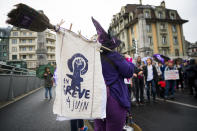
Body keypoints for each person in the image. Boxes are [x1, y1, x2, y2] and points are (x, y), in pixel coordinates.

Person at [92, 17, 134, 131]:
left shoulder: (94, 58)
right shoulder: (115, 56)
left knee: (99, 128)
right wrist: (129, 60)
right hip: (114, 98)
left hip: (97, 99)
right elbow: (129, 72)